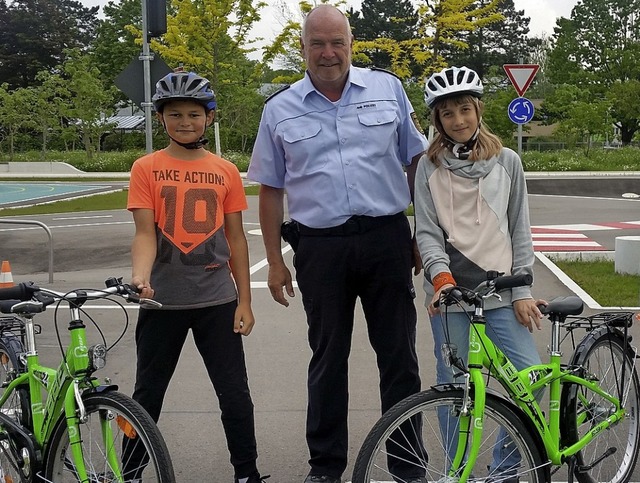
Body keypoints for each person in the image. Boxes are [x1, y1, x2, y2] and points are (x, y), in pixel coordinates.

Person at [247, 5, 429, 483]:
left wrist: (422, 234)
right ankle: (325, 468)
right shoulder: (279, 108)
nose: (328, 53)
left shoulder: (388, 89)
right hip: (320, 249)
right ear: (303, 47)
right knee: (328, 360)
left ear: (352, 43)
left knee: (399, 357)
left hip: (385, 239)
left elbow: (418, 164)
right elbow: (270, 189)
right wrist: (274, 261)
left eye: (337, 42)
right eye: (318, 43)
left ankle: (408, 466)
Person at [127, 71, 267, 483]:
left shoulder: (225, 170)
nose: (184, 122)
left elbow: (237, 240)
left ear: (209, 118)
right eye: (174, 114)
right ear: (160, 118)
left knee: (235, 396)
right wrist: (140, 277)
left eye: (193, 113)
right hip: (161, 301)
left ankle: (247, 473)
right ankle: (131, 472)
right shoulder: (145, 168)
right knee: (146, 397)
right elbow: (143, 233)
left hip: (217, 302)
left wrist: (245, 300)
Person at [414, 65, 544, 481]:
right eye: (447, 113)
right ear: (437, 120)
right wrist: (441, 280)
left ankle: (505, 467)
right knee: (455, 391)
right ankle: (458, 473)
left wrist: (523, 288)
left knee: (530, 379)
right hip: (452, 295)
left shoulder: (508, 161)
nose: (458, 120)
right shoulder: (428, 166)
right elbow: (427, 232)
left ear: (479, 110)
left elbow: (519, 228)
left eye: (464, 109)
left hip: (503, 292)